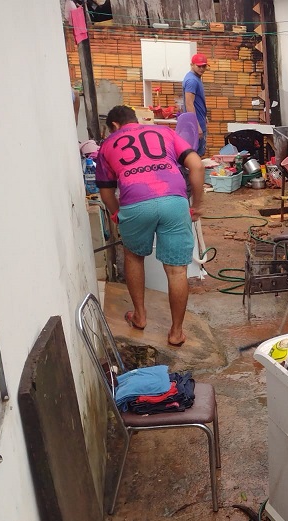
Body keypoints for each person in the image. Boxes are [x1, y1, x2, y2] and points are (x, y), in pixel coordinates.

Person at [95, 105, 205, 347]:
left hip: (135, 203)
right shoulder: (163, 133)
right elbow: (197, 165)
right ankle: (176, 332)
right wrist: (197, 204)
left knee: (134, 257)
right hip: (174, 200)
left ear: (114, 125)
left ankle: (140, 317)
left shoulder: (107, 145)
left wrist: (116, 214)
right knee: (177, 270)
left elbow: (105, 191)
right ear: (136, 120)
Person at [183, 53, 209, 156]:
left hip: (199, 121)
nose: (202, 69)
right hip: (195, 126)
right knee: (194, 156)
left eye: (204, 66)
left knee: (197, 154)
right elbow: (189, 104)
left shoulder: (196, 78)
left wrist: (204, 116)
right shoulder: (192, 81)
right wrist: (196, 126)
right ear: (192, 65)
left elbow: (197, 101)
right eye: (199, 66)